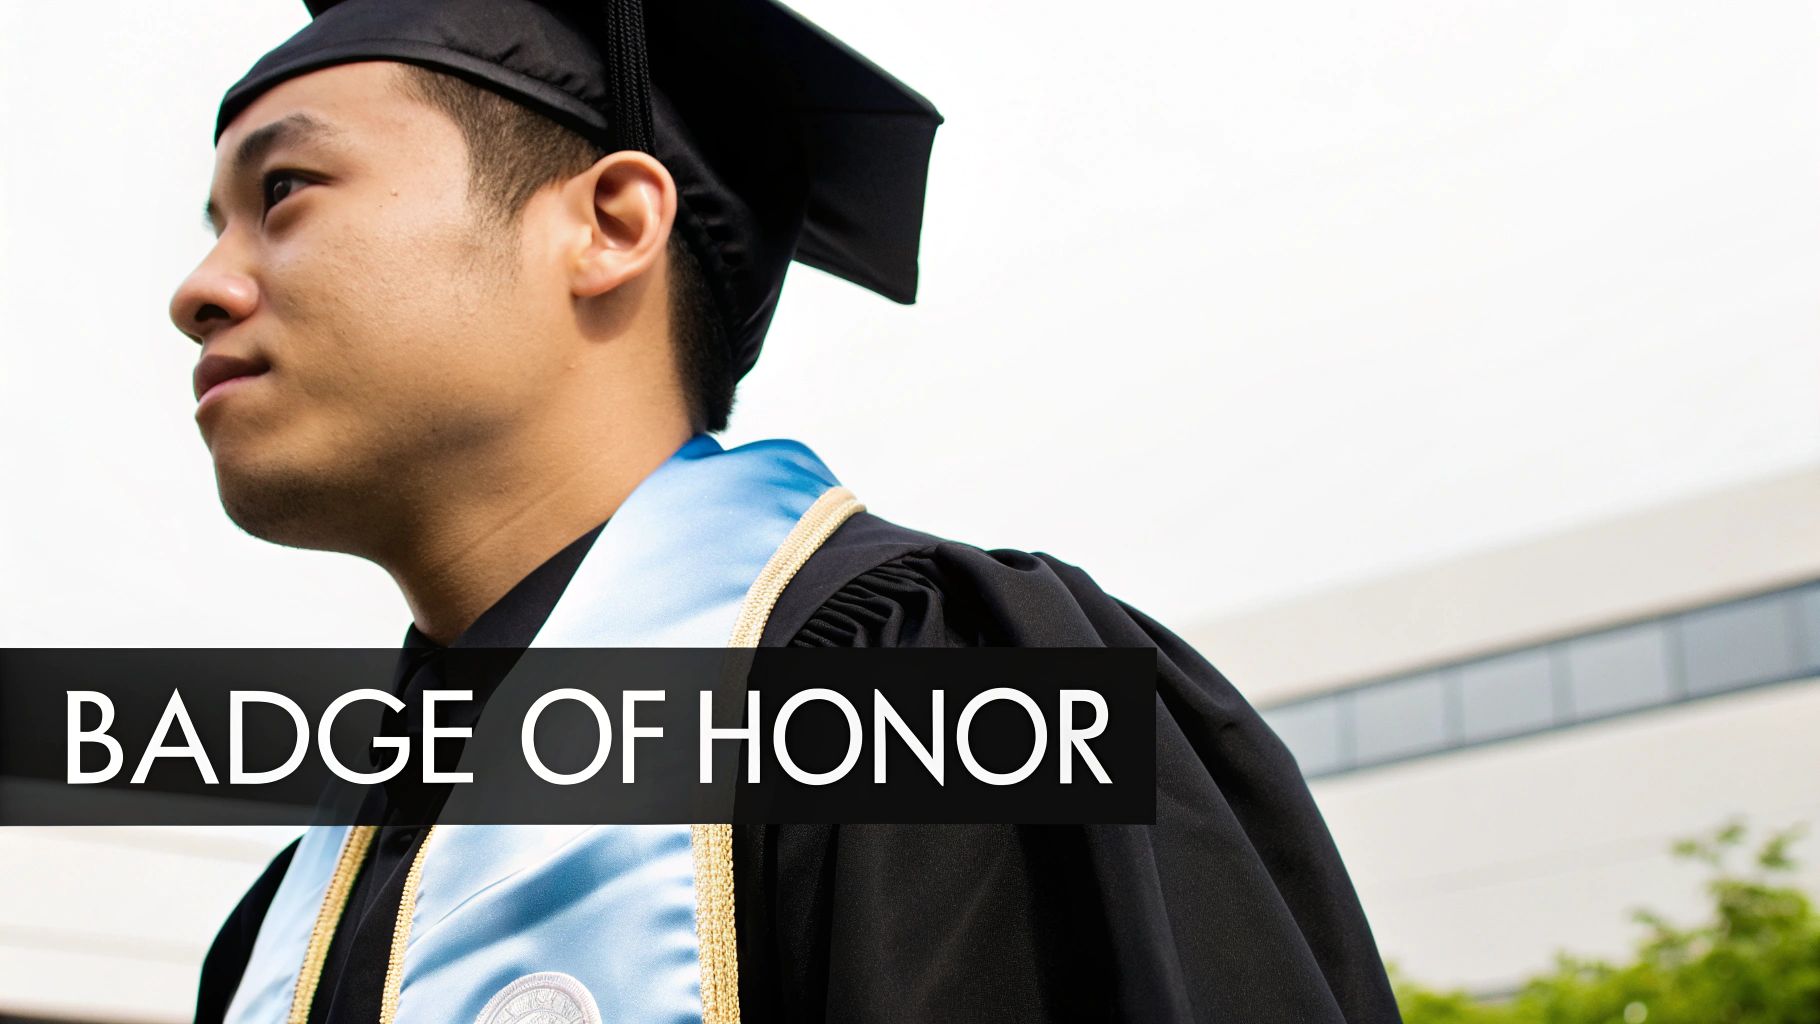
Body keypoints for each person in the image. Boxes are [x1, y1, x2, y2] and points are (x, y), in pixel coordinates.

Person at [173, 1, 1402, 1022]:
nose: (200, 289)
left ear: (610, 225)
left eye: (284, 191)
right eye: (213, 225)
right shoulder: (293, 919)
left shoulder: (942, 698)